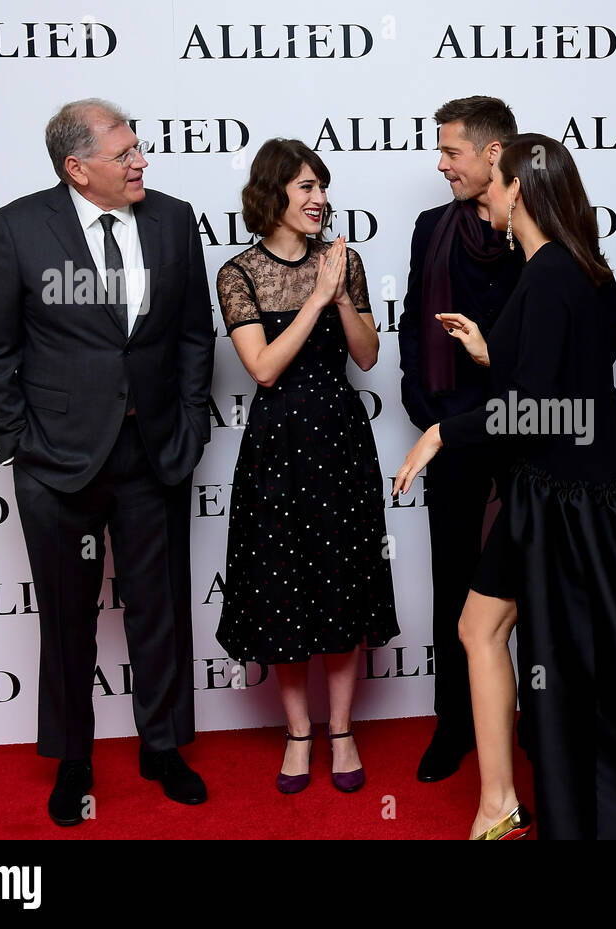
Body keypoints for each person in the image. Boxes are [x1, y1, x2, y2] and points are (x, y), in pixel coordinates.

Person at [394, 133, 616, 840]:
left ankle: (507, 805)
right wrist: (496, 349)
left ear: (520, 186)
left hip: (566, 498)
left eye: (492, 180)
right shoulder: (580, 268)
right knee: (492, 630)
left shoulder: (550, 271)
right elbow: (572, 383)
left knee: (504, 635)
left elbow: (539, 406)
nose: (482, 192)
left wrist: (443, 433)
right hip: (581, 490)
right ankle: (501, 802)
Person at [0, 98, 215, 826]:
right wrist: (22, 438)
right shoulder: (17, 227)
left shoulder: (173, 219)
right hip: (57, 461)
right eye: (125, 152)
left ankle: (163, 746)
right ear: (78, 168)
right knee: (67, 615)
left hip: (153, 451)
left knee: (161, 607)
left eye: (139, 148)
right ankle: (73, 756)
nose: (141, 161)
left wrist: (191, 425)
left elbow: (194, 334)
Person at [215, 138, 399, 795]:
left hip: (341, 442)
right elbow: (263, 368)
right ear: (272, 194)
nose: (320, 198)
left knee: (343, 584)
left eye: (322, 185)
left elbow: (369, 356)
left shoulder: (342, 263)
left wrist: (341, 292)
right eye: (304, 187)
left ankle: (341, 729)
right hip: (277, 446)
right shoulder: (237, 274)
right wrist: (316, 298)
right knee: (284, 587)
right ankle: (299, 733)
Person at [398, 96, 524, 782]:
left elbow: (551, 348)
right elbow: (414, 316)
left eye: (450, 151)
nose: (440, 163)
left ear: (492, 153)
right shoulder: (431, 227)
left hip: (528, 431)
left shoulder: (539, 231)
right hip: (449, 432)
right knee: (455, 579)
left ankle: (532, 715)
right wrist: (425, 405)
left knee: (534, 579)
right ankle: (454, 723)